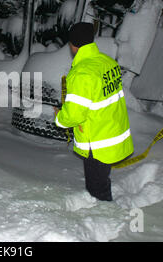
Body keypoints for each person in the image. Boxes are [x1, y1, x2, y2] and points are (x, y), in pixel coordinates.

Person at [53, 22, 134, 201]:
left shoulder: (82, 73)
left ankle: (103, 220)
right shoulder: (108, 63)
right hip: (112, 131)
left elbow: (75, 114)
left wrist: (59, 117)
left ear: (72, 45)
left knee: (97, 188)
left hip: (97, 141)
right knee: (102, 180)